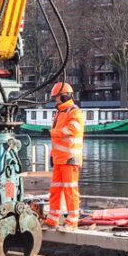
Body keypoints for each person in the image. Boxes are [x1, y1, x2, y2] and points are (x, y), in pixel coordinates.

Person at [46, 82, 84, 230]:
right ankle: (52, 219)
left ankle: (72, 221)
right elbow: (57, 139)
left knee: (70, 190)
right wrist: (51, 154)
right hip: (59, 159)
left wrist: (51, 132)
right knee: (55, 190)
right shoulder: (60, 113)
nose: (54, 101)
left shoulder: (74, 112)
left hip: (69, 158)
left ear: (63, 97)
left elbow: (71, 130)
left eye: (56, 98)